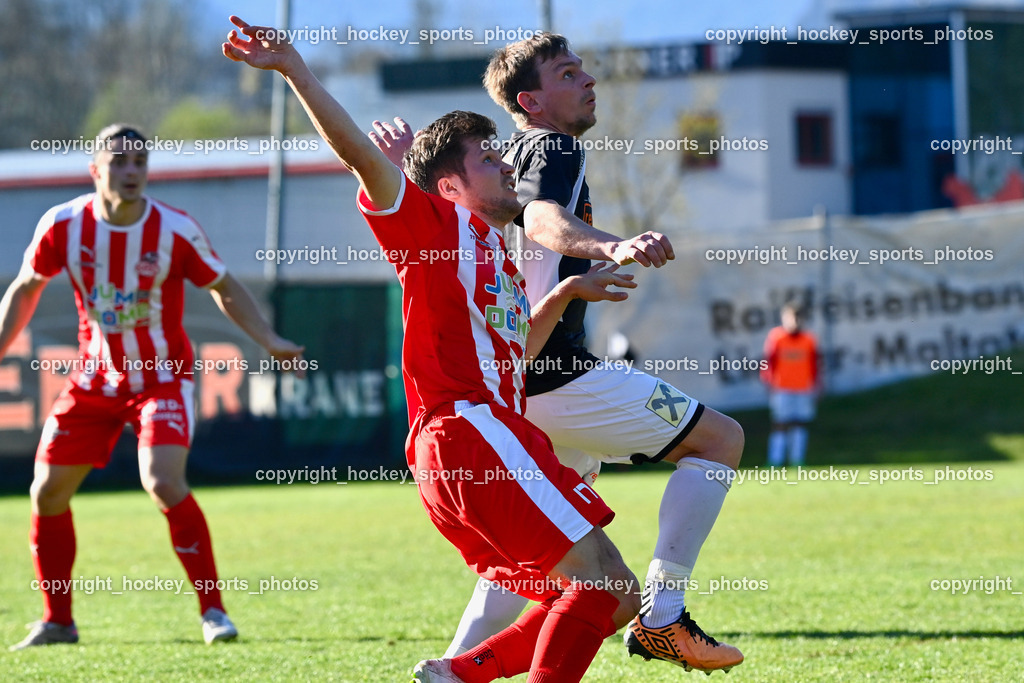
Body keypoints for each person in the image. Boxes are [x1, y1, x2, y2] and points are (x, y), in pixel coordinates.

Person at [223, 16, 642, 683]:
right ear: (449, 187)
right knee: (596, 584)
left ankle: (457, 674)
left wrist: (566, 293)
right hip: (469, 433)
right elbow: (359, 155)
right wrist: (294, 69)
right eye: (489, 160)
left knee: (612, 593)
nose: (507, 165)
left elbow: (514, 356)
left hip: (485, 438)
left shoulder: (496, 254)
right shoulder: (435, 229)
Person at [368, 32, 746, 674]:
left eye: (583, 70)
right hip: (553, 378)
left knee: (545, 565)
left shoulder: (498, 170)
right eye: (568, 74)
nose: (588, 80)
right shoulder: (550, 147)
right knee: (719, 440)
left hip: (511, 391)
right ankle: (663, 614)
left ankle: (453, 669)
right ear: (531, 101)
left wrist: (571, 284)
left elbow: (495, 229)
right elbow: (540, 216)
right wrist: (610, 246)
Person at [1, 124, 306, 650]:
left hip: (162, 379)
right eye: (119, 162)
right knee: (46, 492)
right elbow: (26, 288)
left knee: (162, 481)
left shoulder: (174, 229)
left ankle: (213, 611)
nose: (131, 171)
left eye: (139, 162)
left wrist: (270, 340)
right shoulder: (63, 225)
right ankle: (58, 622)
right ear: (95, 170)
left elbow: (224, 286)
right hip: (93, 381)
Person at [762, 303, 820, 467]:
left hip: (803, 388)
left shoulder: (809, 339)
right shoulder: (777, 337)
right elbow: (768, 362)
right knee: (780, 423)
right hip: (782, 388)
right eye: (791, 318)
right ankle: (775, 461)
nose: (795, 321)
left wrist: (816, 385)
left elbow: (815, 365)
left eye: (798, 318)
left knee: (800, 423)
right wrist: (768, 382)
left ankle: (797, 460)